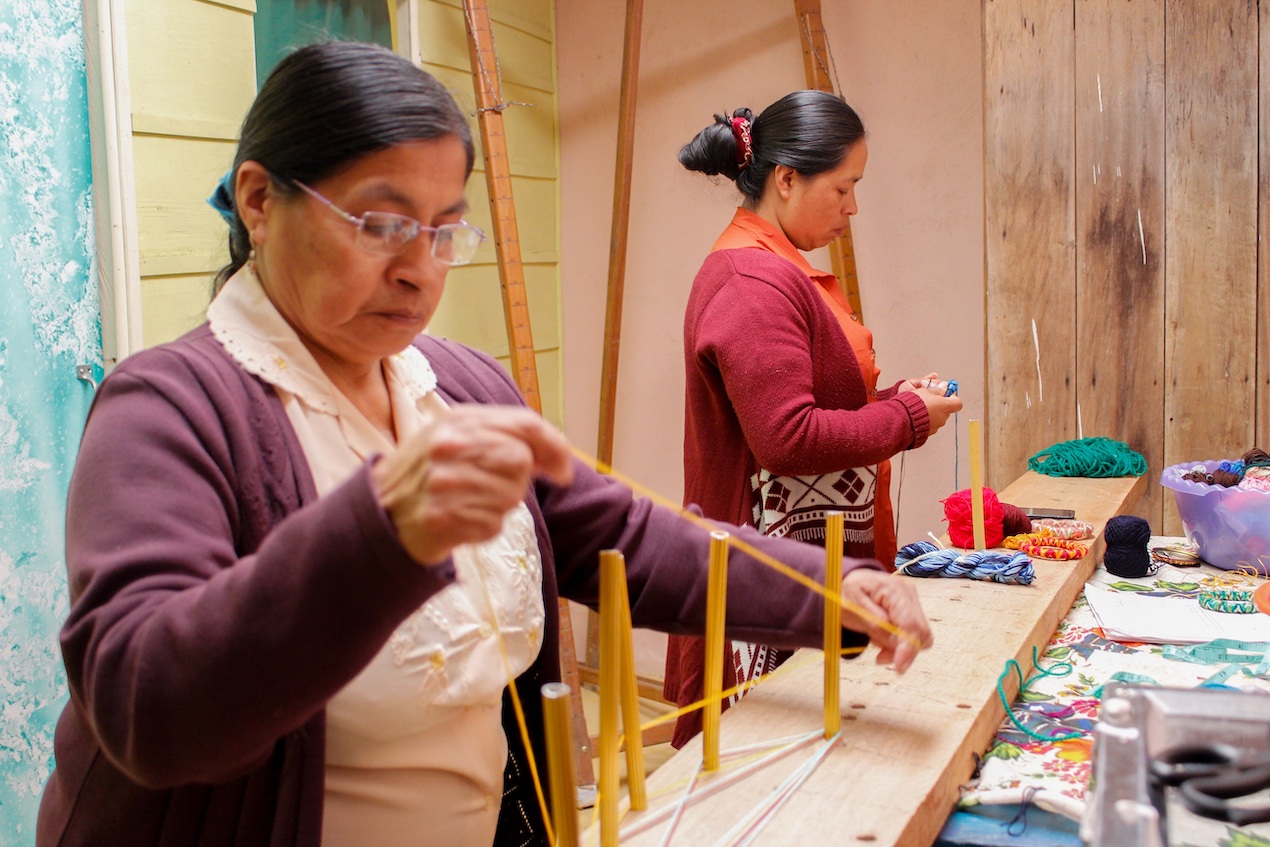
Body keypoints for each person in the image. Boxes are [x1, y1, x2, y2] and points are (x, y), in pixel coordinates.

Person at [35, 44, 932, 847]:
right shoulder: (166, 407)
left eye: (443, 230)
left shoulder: (455, 384)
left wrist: (829, 588)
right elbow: (146, 705)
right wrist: (380, 534)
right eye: (382, 224)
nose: (420, 267)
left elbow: (625, 536)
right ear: (262, 203)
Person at [664, 91, 961, 749]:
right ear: (788, 178)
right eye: (844, 187)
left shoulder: (775, 269)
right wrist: (908, 418)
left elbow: (807, 405)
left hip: (796, 560)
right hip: (768, 570)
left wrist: (891, 400)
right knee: (763, 764)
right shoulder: (751, 279)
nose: (853, 208)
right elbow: (787, 437)